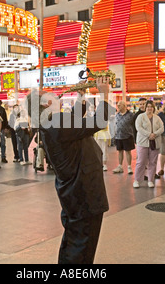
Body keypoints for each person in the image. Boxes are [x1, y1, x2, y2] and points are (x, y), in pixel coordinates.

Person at [26, 76, 111, 264]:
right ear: (47, 102)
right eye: (49, 94)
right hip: (84, 190)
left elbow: (73, 123)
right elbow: (97, 123)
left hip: (75, 191)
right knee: (83, 244)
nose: (54, 94)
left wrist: (81, 98)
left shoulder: (51, 122)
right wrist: (104, 95)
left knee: (75, 238)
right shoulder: (57, 121)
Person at [133, 100, 164, 188]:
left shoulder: (157, 118)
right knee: (141, 161)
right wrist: (149, 134)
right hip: (143, 142)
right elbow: (138, 127)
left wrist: (155, 134)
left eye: (151, 107)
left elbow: (162, 128)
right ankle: (137, 180)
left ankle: (151, 180)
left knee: (153, 162)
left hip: (155, 142)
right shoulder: (140, 117)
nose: (149, 108)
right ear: (145, 107)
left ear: (153, 108)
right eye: (148, 106)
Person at [112, 100, 135, 175]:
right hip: (118, 136)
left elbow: (134, 125)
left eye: (119, 105)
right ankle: (120, 166)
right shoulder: (117, 115)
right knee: (120, 151)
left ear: (124, 106)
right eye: (117, 105)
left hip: (128, 136)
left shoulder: (131, 115)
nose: (118, 106)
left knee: (128, 151)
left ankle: (129, 167)